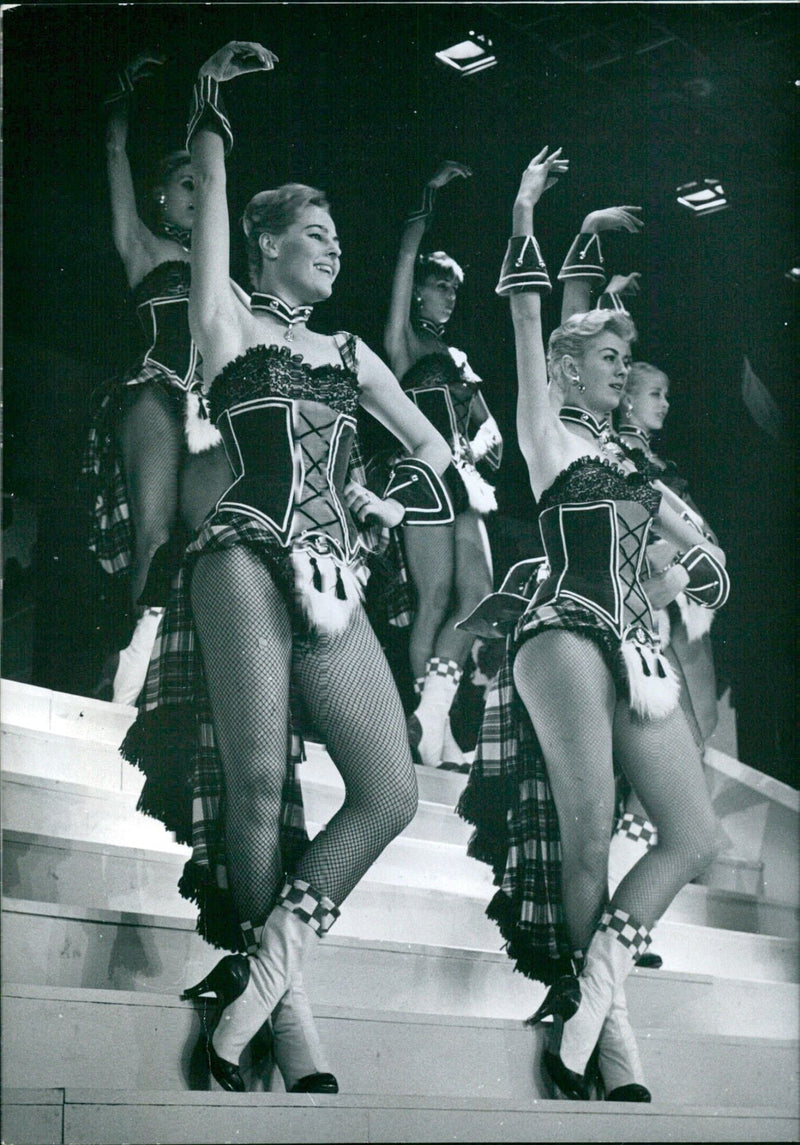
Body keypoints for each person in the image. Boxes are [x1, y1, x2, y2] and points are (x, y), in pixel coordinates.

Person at [122, 42, 454, 1094]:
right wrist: (210, 101)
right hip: (237, 554)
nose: (333, 249)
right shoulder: (222, 319)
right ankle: (289, 1015)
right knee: (259, 781)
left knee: (389, 789)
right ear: (264, 247)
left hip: (330, 571)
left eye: (339, 237)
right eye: (313, 234)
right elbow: (211, 192)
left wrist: (380, 498)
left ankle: (261, 974)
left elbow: (440, 462)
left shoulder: (353, 354)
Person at [458, 149, 729, 1102]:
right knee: (586, 840)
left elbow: (704, 558)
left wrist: (692, 569)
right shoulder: (546, 424)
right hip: (563, 634)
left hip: (634, 647)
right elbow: (533, 313)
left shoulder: (630, 460)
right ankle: (614, 1048)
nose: (624, 369)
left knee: (692, 836)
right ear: (571, 369)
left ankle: (587, 1005)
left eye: (628, 358)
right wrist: (528, 206)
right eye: (611, 357)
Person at [82, 52, 219, 705]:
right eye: (185, 184)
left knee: (206, 544)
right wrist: (120, 108)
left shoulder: (217, 264)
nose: (198, 193)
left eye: (204, 184)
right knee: (157, 533)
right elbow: (114, 155)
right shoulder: (141, 245)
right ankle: (132, 684)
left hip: (208, 408)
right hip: (153, 393)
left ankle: (153, 667)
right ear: (161, 194)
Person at [382, 161, 503, 768]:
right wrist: (424, 206)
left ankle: (433, 717)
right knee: (433, 598)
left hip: (463, 481)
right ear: (422, 289)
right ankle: (425, 726)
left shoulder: (458, 357)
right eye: (442, 285)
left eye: (457, 288)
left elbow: (492, 430)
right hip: (422, 478)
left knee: (479, 597)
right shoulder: (403, 343)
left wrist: (474, 452)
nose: (451, 296)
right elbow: (402, 269)